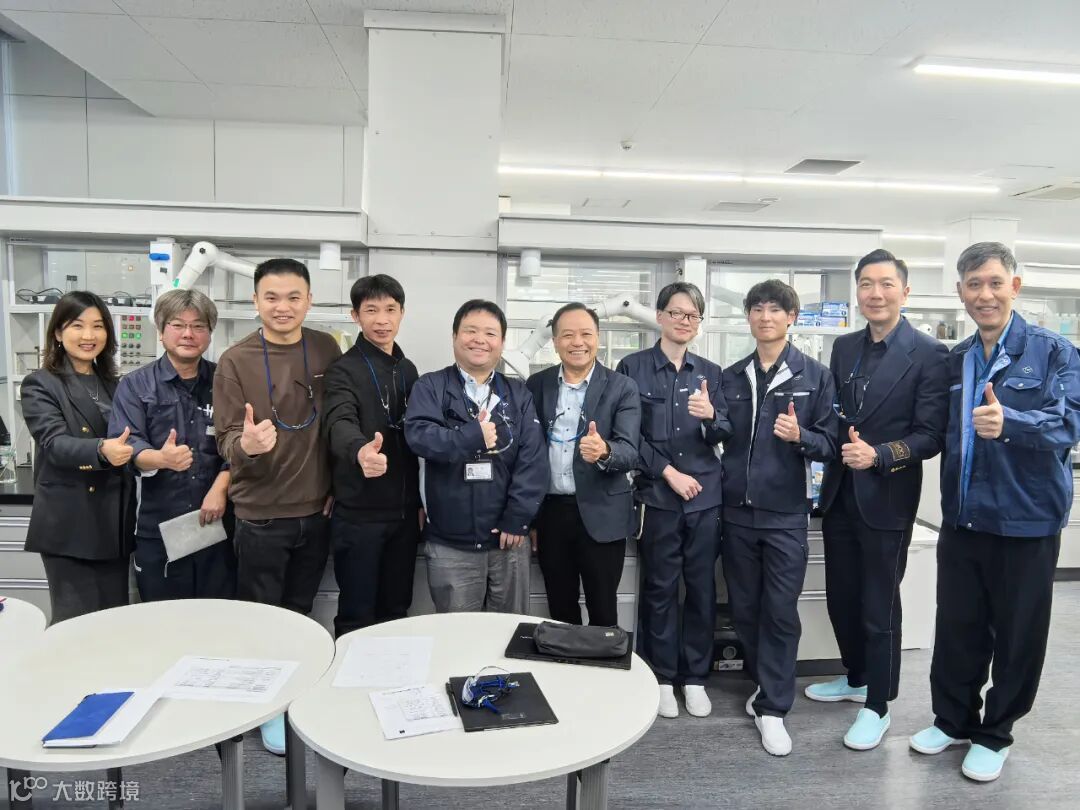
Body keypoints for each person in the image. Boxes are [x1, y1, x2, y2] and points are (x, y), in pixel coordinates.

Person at [909, 242, 1080, 782]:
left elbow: (1071, 424)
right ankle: (953, 719)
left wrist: (1013, 424)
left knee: (1017, 633)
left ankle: (996, 732)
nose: (985, 295)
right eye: (973, 285)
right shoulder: (956, 358)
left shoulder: (1055, 352)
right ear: (960, 293)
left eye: (994, 283)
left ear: (1014, 287)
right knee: (957, 626)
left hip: (1026, 521)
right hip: (963, 518)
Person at [807, 249, 950, 751]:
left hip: (887, 495)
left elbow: (931, 435)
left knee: (878, 604)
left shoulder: (930, 354)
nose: (875, 293)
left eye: (886, 284)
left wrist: (881, 455)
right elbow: (837, 416)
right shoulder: (844, 347)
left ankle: (878, 705)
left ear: (904, 292)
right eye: (866, 284)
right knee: (842, 595)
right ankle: (855, 676)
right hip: (840, 493)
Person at [213, 258, 341, 755]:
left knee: (301, 615)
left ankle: (294, 699)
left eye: (293, 297)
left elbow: (336, 424)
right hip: (261, 514)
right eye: (271, 297)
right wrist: (246, 445)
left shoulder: (326, 348)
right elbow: (225, 439)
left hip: (317, 512)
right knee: (262, 621)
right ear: (256, 301)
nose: (282, 307)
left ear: (308, 301)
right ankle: (265, 710)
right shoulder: (235, 360)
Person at [720, 280, 838, 756]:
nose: (765, 316)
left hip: (786, 515)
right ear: (749, 316)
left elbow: (830, 444)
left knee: (780, 611)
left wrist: (800, 435)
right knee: (744, 609)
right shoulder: (731, 376)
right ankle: (764, 683)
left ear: (791, 317)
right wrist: (707, 419)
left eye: (775, 309)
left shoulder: (815, 375)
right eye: (757, 308)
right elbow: (718, 436)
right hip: (735, 513)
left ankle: (773, 708)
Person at [615, 281, 732, 720]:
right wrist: (668, 472)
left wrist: (711, 417)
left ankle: (695, 677)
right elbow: (629, 436)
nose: (684, 321)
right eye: (677, 313)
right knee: (660, 588)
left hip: (705, 500)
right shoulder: (632, 367)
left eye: (692, 315)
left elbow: (726, 431)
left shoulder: (712, 373)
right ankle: (662, 676)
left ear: (699, 324)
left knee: (701, 589)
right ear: (660, 315)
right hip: (659, 498)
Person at [404, 299, 548, 614]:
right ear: (455, 336)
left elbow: (533, 460)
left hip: (509, 541)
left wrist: (517, 519)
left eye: (490, 333)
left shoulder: (518, 394)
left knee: (509, 631)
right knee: (457, 634)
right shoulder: (430, 386)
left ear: (502, 342)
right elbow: (420, 437)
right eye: (470, 331)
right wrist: (471, 436)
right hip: (450, 543)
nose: (479, 339)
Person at [107, 289, 235, 601]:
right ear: (161, 332)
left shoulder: (226, 382)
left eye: (198, 326)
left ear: (209, 333)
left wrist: (220, 488)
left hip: (218, 526)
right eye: (178, 325)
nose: (188, 334)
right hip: (159, 528)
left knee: (218, 618)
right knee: (162, 620)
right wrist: (160, 458)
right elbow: (128, 443)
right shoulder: (135, 385)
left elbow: (239, 441)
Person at [21, 292, 136, 623]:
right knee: (75, 625)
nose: (89, 335)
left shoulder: (114, 384)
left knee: (112, 623)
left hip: (114, 523)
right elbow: (54, 443)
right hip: (71, 525)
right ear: (58, 332)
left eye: (98, 326)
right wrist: (101, 450)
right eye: (77, 325)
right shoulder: (40, 384)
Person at [525, 302, 640, 627]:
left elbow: (630, 451)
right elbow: (527, 453)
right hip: (551, 514)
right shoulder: (536, 385)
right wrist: (529, 518)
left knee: (603, 612)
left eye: (586, 334)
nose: (578, 342)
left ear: (598, 338)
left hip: (603, 514)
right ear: (555, 341)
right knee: (560, 610)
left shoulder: (622, 387)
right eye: (568, 335)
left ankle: (603, 662)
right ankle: (566, 660)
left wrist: (604, 451)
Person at [323, 274, 422, 637]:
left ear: (402, 313)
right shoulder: (343, 369)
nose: (382, 320)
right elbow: (338, 421)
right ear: (355, 316)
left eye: (390, 310)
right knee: (357, 615)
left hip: (404, 514)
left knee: (396, 610)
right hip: (360, 514)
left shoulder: (407, 369)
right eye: (371, 310)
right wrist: (359, 450)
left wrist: (419, 501)